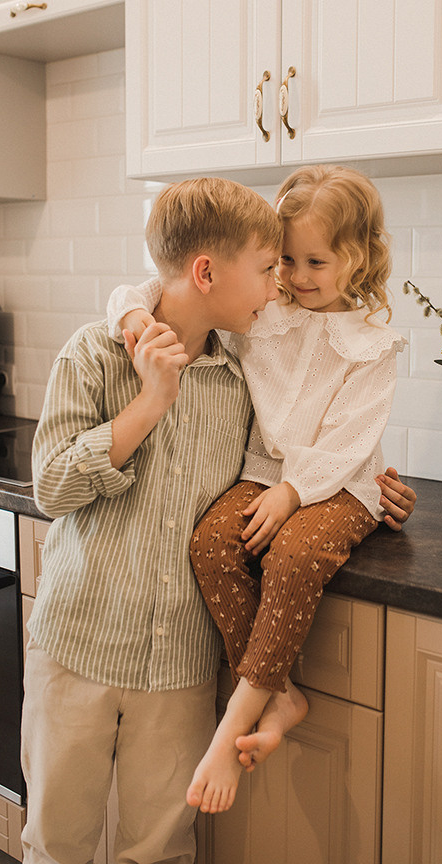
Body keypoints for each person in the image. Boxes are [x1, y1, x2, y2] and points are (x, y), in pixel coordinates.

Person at [107, 164, 414, 819]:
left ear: (358, 259)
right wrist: (133, 312)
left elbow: (350, 439)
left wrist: (294, 491)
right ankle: (280, 695)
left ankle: (234, 724)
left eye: (315, 262)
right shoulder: (263, 312)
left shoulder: (372, 344)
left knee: (294, 556)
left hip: (341, 484)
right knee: (211, 546)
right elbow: (150, 286)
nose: (296, 277)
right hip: (264, 474)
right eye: (285, 261)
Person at [22, 178, 284, 864]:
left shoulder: (244, 378)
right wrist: (151, 402)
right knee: (55, 845)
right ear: (206, 272)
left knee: (161, 851)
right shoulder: (93, 353)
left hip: (180, 666)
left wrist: (366, 482)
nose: (276, 285)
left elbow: (285, 459)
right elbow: (51, 487)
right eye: (265, 268)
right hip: (75, 648)